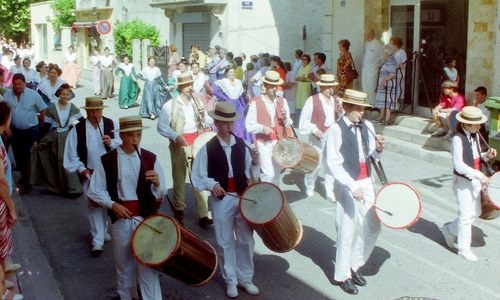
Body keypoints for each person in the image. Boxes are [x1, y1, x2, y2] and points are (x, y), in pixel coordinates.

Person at [88, 115, 166, 300]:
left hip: (146, 218)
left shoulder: (150, 158)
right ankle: (127, 296)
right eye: (131, 136)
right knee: (124, 265)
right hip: (121, 219)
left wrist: (157, 184)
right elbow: (95, 190)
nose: (135, 140)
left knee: (148, 265)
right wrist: (113, 205)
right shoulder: (107, 160)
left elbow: (161, 192)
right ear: (121, 136)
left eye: (138, 135)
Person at [192, 102, 261, 298]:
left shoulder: (241, 144)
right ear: (216, 123)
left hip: (241, 196)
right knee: (224, 242)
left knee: (246, 240)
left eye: (231, 122)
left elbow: (251, 172)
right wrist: (212, 185)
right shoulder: (207, 148)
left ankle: (246, 278)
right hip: (221, 200)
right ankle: (230, 280)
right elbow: (198, 176)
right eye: (225, 122)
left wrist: (256, 162)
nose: (230, 126)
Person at [324, 89, 385, 295]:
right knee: (347, 230)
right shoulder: (335, 130)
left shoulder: (367, 126)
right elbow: (333, 163)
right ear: (347, 107)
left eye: (363, 109)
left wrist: (378, 149)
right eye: (358, 109)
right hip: (347, 184)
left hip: (366, 181)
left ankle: (354, 264)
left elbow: (371, 157)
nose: (362, 113)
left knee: (374, 224)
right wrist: (352, 185)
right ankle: (342, 276)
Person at [64, 97, 121, 257]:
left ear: (102, 110)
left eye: (98, 111)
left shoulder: (110, 124)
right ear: (86, 111)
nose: (95, 114)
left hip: (109, 173)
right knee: (93, 205)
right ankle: (97, 240)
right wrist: (81, 168)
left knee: (106, 203)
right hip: (90, 173)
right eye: (91, 111)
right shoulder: (79, 129)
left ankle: (102, 231)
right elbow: (71, 153)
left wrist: (111, 142)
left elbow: (123, 145)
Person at [157, 72, 214, 228]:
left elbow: (209, 122)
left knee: (199, 177)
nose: (191, 88)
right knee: (179, 178)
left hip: (197, 143)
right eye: (187, 85)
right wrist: (175, 136)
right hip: (179, 145)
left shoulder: (197, 101)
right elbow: (161, 127)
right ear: (180, 87)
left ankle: (203, 214)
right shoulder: (170, 105)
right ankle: (179, 210)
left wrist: (203, 116)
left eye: (191, 84)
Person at [440, 106, 496, 261]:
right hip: (462, 182)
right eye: (477, 124)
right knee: (465, 216)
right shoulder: (457, 139)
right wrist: (479, 175)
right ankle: (464, 249)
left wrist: (486, 156)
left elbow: (476, 157)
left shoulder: (475, 136)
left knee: (475, 213)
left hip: (475, 181)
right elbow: (459, 165)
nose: (480, 126)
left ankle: (449, 230)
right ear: (467, 124)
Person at [31, 84, 82, 196]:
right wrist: (38, 139)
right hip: (55, 136)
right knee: (56, 160)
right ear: (59, 94)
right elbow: (45, 125)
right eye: (63, 94)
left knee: (69, 160)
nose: (65, 96)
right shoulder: (52, 108)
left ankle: (72, 188)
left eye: (67, 94)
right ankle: (57, 186)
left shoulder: (72, 107)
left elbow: (81, 121)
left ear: (70, 95)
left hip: (68, 136)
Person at [245, 70, 293, 185]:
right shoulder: (256, 103)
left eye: (276, 86)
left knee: (277, 173)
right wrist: (262, 128)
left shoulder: (282, 101)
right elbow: (249, 126)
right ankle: (266, 195)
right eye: (272, 86)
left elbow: (288, 124)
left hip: (279, 142)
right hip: (263, 142)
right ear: (265, 86)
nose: (275, 89)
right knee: (269, 174)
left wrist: (286, 117)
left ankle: (275, 198)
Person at [299, 74, 341, 202]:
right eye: (328, 87)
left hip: (332, 136)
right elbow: (303, 122)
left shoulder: (334, 100)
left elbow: (341, 118)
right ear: (322, 87)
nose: (331, 89)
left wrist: (341, 110)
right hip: (318, 136)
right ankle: (310, 186)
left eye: (332, 87)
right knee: (315, 163)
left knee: (331, 164)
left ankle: (329, 190)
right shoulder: (312, 100)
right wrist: (314, 129)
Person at [3, 73, 47, 194]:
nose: (17, 86)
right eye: (15, 84)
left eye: (20, 84)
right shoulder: (7, 94)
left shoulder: (33, 94)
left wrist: (40, 127)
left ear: (24, 83)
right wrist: (6, 127)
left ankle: (27, 184)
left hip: (30, 130)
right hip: (14, 131)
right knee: (18, 156)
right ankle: (25, 178)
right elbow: (5, 113)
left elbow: (43, 110)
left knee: (27, 155)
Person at [0, 102, 23, 300]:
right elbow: (1, 182)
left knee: (2, 245)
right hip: (0, 201)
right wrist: (12, 208)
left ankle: (2, 279)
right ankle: (3, 293)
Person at [213, 68, 251, 141]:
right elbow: (216, 92)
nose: (233, 73)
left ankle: (241, 139)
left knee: (241, 124)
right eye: (231, 72)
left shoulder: (238, 82)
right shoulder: (223, 82)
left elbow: (240, 96)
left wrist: (244, 105)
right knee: (230, 123)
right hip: (228, 105)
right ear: (227, 73)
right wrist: (225, 99)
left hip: (238, 106)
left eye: (234, 72)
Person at [374, 44, 399, 124]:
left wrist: (384, 80)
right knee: (383, 101)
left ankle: (387, 119)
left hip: (388, 85)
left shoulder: (391, 61)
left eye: (384, 53)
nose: (382, 54)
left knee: (388, 102)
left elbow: (393, 73)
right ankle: (381, 117)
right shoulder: (386, 61)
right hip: (384, 85)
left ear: (387, 53)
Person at [362, 29, 383, 105]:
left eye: (366, 34)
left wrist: (380, 68)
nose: (365, 36)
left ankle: (374, 104)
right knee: (365, 86)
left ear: (371, 34)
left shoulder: (378, 44)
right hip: (365, 68)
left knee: (371, 87)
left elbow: (382, 58)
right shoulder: (367, 43)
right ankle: (368, 104)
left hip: (373, 68)